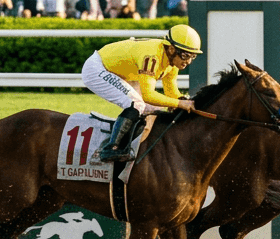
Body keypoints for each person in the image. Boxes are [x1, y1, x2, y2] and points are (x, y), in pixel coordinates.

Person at [80, 25, 202, 162]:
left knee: (153, 109)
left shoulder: (172, 61)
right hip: (97, 68)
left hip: (121, 73)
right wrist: (180, 103)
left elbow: (170, 91)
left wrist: (183, 100)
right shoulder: (152, 56)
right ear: (172, 49)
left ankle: (139, 147)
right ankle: (110, 149)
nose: (188, 62)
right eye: (185, 55)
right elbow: (148, 95)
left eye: (193, 56)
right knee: (136, 104)